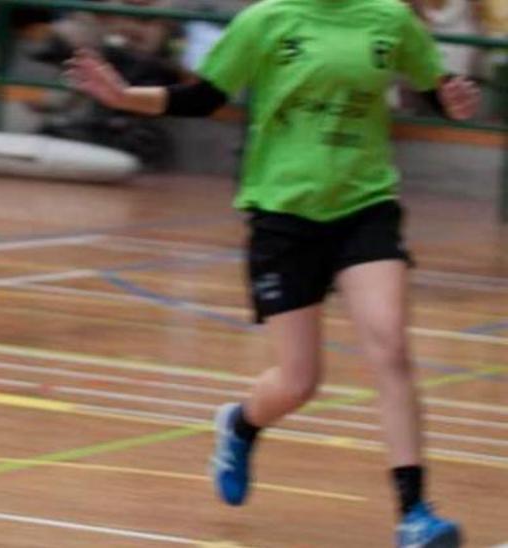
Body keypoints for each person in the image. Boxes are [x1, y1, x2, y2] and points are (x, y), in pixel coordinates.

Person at [64, 0, 481, 545]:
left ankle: (415, 513)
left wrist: (453, 101)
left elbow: (435, 87)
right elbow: (204, 97)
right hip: (283, 216)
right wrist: (124, 97)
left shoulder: (390, 18)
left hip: (365, 205)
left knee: (391, 348)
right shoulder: (266, 20)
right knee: (299, 381)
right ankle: (241, 424)